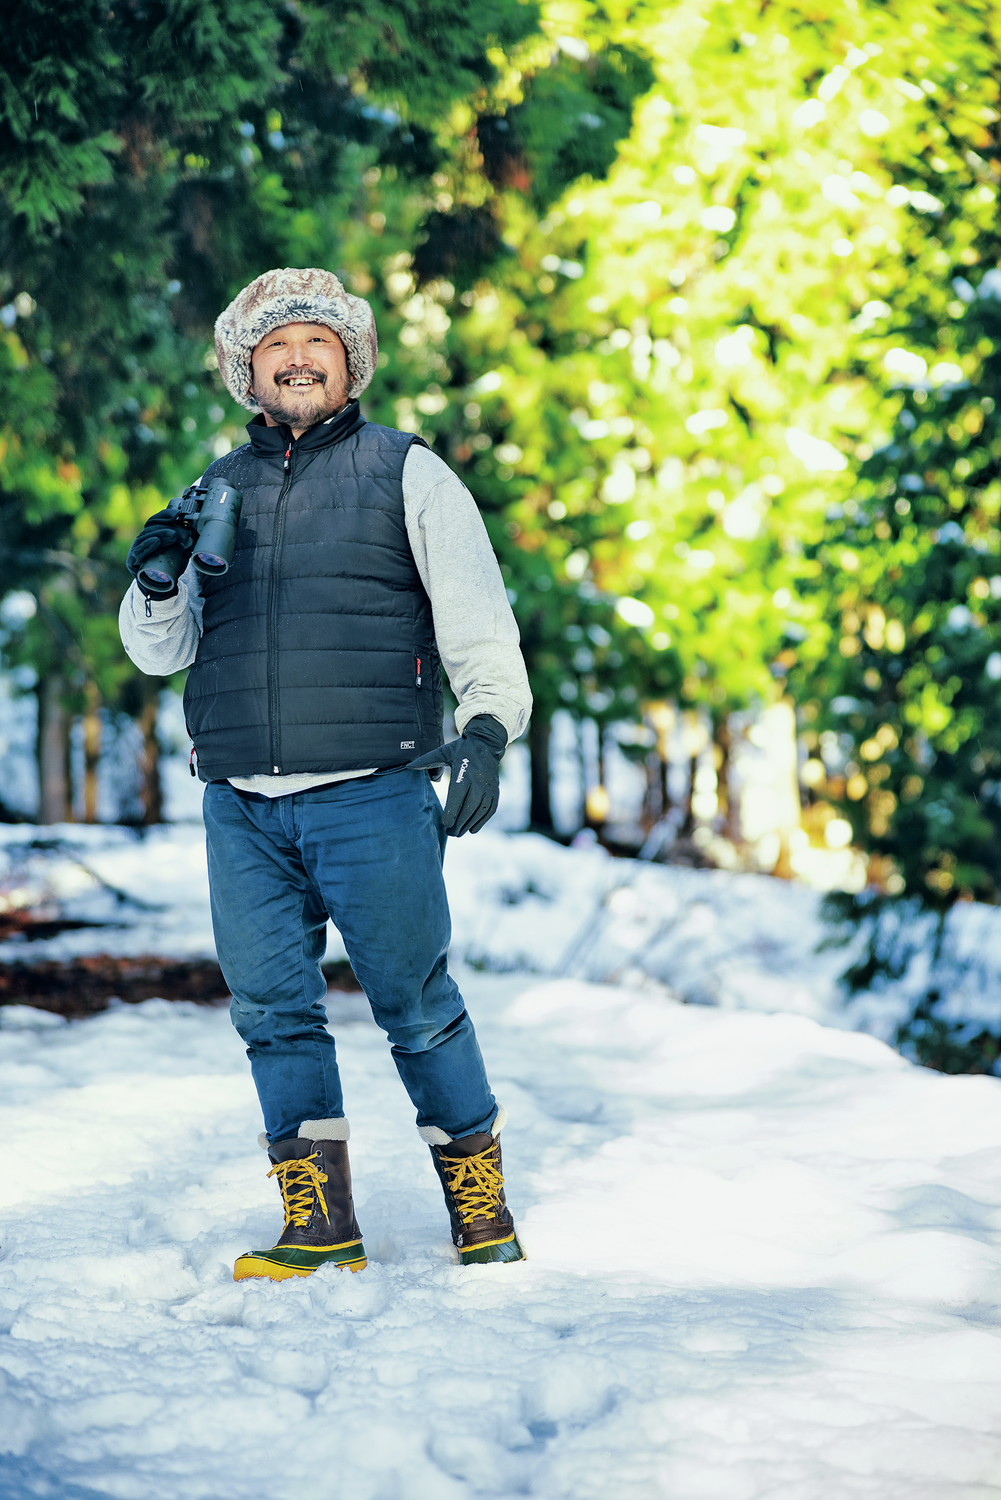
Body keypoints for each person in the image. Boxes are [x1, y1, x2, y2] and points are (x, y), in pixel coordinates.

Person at [119, 266, 532, 1281]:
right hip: (243, 807)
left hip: (371, 792)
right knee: (269, 1010)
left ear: (350, 367)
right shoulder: (214, 486)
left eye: (318, 345)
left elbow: (479, 621)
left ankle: (477, 1204)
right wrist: (156, 576)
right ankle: (319, 1224)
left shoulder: (408, 472)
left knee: (415, 999)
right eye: (275, 349)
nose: (297, 361)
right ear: (245, 372)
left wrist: (485, 732)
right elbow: (156, 653)